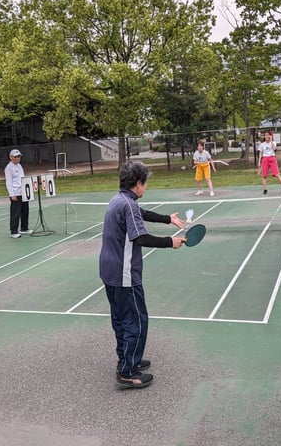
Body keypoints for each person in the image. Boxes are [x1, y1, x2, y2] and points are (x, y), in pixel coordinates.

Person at [99, 161, 186, 389]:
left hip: (108, 271)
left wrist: (168, 219)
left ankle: (127, 359)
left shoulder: (119, 200)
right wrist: (170, 242)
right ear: (138, 183)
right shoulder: (128, 205)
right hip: (124, 274)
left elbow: (142, 213)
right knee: (136, 321)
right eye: (145, 183)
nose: (145, 187)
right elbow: (140, 238)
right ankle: (128, 373)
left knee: (120, 319)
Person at [4, 148, 32, 239]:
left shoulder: (19, 166)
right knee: (15, 212)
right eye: (16, 157)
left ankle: (24, 228)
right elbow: (9, 182)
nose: (18, 158)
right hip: (16, 193)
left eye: (19, 156)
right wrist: (12, 194)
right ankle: (13, 231)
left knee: (25, 210)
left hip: (23, 191)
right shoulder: (9, 168)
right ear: (11, 157)